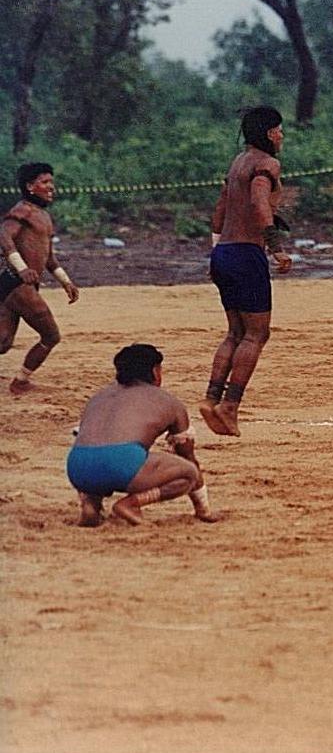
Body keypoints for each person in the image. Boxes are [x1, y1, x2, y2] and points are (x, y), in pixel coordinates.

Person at [200, 106, 293, 437]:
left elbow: (221, 209)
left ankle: (212, 399)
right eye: (280, 130)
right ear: (270, 133)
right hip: (246, 254)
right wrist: (276, 246)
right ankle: (229, 407)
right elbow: (258, 203)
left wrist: (216, 252)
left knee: (235, 332)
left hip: (224, 252)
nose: (282, 136)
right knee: (257, 334)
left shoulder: (238, 162)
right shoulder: (266, 164)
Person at [68, 343, 217, 526]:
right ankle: (130, 504)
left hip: (77, 467)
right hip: (120, 463)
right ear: (155, 372)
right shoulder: (168, 401)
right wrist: (203, 508)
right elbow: (187, 456)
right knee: (187, 472)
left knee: (99, 457)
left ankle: (91, 506)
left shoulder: (99, 396)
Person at [1, 162, 80, 395]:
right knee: (51, 335)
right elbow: (3, 235)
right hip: (17, 283)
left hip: (17, 284)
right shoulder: (23, 210)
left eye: (51, 182)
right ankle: (21, 382)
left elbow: (48, 258)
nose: (51, 187)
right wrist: (21, 267)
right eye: (45, 182)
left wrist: (65, 281)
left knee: (3, 344)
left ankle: (21, 381)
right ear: (30, 186)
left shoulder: (43, 216)